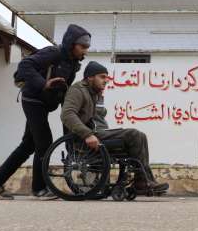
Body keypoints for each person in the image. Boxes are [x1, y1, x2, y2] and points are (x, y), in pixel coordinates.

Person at [0, 24, 91, 199]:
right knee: (44, 143)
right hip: (33, 100)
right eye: (83, 46)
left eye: (87, 47)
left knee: (28, 145)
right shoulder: (54, 53)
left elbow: (65, 92)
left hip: (45, 104)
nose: (85, 50)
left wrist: (69, 125)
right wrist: (43, 84)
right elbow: (26, 65)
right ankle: (39, 189)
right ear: (72, 44)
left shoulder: (72, 64)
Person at [61, 61, 169, 193]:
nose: (106, 80)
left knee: (140, 136)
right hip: (83, 138)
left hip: (96, 133)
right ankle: (142, 181)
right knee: (133, 134)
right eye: (102, 77)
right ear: (90, 77)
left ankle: (142, 180)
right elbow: (67, 114)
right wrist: (87, 134)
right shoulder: (78, 90)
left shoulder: (94, 93)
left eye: (107, 77)